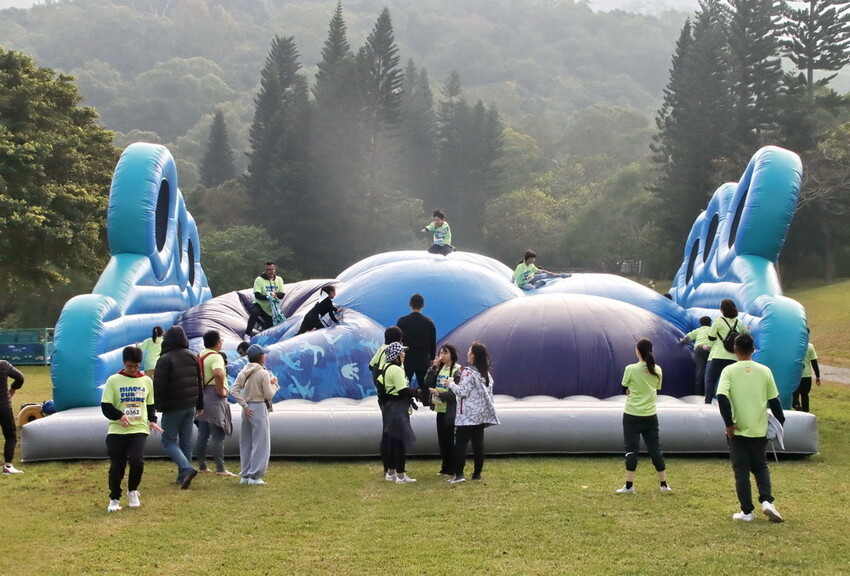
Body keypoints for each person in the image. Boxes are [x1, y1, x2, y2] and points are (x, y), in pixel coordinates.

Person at [717, 334, 785, 523]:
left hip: (738, 429)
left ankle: (747, 512)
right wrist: (780, 422)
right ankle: (767, 501)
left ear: (735, 349)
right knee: (761, 466)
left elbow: (722, 397)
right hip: (759, 428)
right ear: (753, 350)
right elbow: (774, 400)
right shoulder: (765, 371)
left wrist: (729, 424)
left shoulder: (729, 371)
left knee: (741, 471)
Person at [101, 346, 164, 511]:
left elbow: (150, 404)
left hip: (139, 429)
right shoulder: (113, 380)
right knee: (117, 466)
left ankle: (133, 491)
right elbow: (106, 406)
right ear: (123, 363)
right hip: (117, 430)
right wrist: (119, 415)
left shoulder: (146, 381)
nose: (133, 369)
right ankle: (114, 498)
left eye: (136, 366)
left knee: (137, 461)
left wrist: (152, 420)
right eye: (130, 366)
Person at [615, 338, 671, 494]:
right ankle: (664, 484)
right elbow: (656, 388)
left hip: (632, 414)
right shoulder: (657, 369)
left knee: (631, 449)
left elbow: (624, 388)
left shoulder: (630, 369)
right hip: (650, 415)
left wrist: (630, 391)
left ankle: (629, 485)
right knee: (655, 449)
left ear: (638, 351)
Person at [153, 326, 204, 489]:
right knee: (186, 441)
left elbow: (158, 386)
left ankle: (187, 469)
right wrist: (200, 403)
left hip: (173, 406)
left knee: (168, 440)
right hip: (190, 405)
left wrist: (155, 405)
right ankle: (183, 475)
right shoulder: (192, 356)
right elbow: (199, 381)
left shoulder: (165, 359)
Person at [447, 341, 499, 484]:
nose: (467, 354)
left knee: (460, 445)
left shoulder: (469, 373)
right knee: (478, 445)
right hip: (480, 416)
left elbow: (462, 392)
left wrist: (450, 384)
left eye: (469, 352)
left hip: (466, 416)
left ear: (474, 356)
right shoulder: (486, 374)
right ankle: (477, 474)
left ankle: (459, 474)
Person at [231, 344, 279, 485]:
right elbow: (268, 394)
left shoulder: (244, 371)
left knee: (246, 441)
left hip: (246, 409)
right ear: (261, 357)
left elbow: (234, 391)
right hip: (258, 407)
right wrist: (275, 384)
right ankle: (255, 475)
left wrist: (244, 405)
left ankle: (245, 474)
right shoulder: (263, 373)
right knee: (261, 442)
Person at [194, 330, 236, 477]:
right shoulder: (216, 357)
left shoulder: (200, 356)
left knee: (203, 433)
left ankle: (202, 465)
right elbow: (218, 373)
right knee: (218, 433)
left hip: (202, 395)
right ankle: (220, 468)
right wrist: (220, 391)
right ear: (217, 342)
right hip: (214, 396)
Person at [378, 342, 419, 484]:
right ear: (395, 355)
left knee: (392, 441)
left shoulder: (386, 367)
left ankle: (391, 472)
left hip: (389, 407)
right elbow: (402, 390)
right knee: (400, 442)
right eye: (402, 352)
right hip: (398, 408)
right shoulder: (396, 370)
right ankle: (401, 475)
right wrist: (416, 392)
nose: (404, 354)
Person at [369, 326, 404, 480]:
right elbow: (387, 371)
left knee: (387, 431)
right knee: (390, 433)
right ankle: (391, 467)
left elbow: (371, 366)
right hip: (390, 398)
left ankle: (390, 467)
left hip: (382, 396)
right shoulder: (390, 353)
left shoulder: (380, 350)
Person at [426, 344, 461, 476]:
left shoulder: (456, 370)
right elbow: (427, 382)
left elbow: (455, 394)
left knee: (450, 439)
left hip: (450, 410)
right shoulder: (439, 368)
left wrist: (439, 394)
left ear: (452, 355)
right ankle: (445, 467)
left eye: (445, 353)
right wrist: (433, 367)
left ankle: (453, 467)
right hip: (440, 408)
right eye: (441, 353)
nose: (442, 356)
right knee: (442, 440)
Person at [705, 299, 748, 404]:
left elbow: (711, 337)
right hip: (734, 358)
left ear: (722, 310)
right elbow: (746, 336)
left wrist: (710, 345)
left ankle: (708, 402)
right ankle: (733, 402)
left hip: (719, 356)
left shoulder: (718, 321)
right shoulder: (740, 323)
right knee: (732, 382)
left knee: (711, 380)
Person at [396, 294, 436, 405]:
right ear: (423, 305)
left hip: (407, 357)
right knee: (425, 385)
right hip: (423, 358)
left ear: (410, 304)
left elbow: (398, 341)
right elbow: (433, 342)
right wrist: (432, 358)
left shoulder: (402, 321)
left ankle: (403, 405)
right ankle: (427, 407)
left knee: (403, 383)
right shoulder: (429, 322)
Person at [245, 261, 286, 337]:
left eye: (271, 269)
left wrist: (276, 294)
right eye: (267, 270)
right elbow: (257, 295)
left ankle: (261, 327)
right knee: (254, 312)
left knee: (269, 326)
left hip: (271, 309)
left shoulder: (279, 280)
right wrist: (269, 296)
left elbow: (282, 295)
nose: (269, 272)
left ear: (275, 269)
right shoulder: (259, 279)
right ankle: (247, 334)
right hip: (260, 304)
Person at [0, 358, 25, 474]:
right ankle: (7, 466)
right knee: (10, 436)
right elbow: (20, 377)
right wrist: (13, 388)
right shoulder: (3, 365)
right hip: (4, 406)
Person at [679, 316, 712, 396]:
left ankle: (698, 392)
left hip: (699, 349)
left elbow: (687, 338)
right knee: (710, 371)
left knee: (699, 369)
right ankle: (709, 392)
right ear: (710, 323)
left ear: (700, 324)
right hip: (710, 350)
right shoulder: (712, 330)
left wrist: (681, 341)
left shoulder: (698, 330)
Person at [793, 329, 820, 412]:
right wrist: (817, 376)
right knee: (805, 395)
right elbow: (814, 362)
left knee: (794, 394)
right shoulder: (810, 346)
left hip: (794, 375)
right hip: (806, 376)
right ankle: (805, 412)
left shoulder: (793, 346)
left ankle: (797, 406)